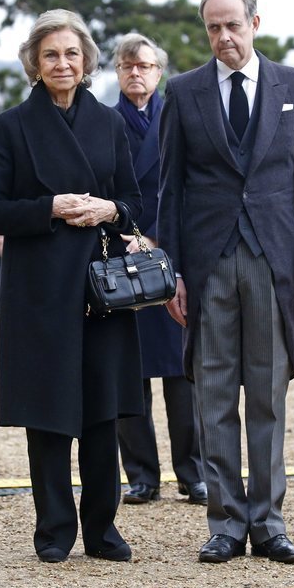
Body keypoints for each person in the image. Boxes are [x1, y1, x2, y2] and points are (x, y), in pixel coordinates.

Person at [158, 0, 294, 564]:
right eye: (213, 27)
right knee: (212, 396)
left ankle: (270, 522)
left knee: (269, 395)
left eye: (232, 25)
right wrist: (170, 271)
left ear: (256, 23)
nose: (223, 37)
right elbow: (170, 188)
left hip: (275, 262)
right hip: (206, 266)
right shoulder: (182, 93)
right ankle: (226, 523)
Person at [0, 9, 144, 564]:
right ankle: (53, 531)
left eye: (72, 53)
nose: (63, 63)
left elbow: (137, 202)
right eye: (51, 55)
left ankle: (103, 530)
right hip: (40, 291)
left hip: (102, 288)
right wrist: (48, 208)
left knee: (101, 411)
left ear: (87, 60)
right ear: (34, 63)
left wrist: (109, 208)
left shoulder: (111, 124)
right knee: (48, 415)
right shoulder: (11, 127)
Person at [111, 33, 206, 507]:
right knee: (132, 371)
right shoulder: (105, 122)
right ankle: (142, 475)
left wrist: (161, 238)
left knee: (180, 371)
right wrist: (129, 233)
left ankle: (192, 471)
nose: (136, 73)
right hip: (122, 254)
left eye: (145, 66)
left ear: (159, 71)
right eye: (127, 66)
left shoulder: (180, 114)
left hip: (172, 252)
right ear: (116, 72)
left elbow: (192, 183)